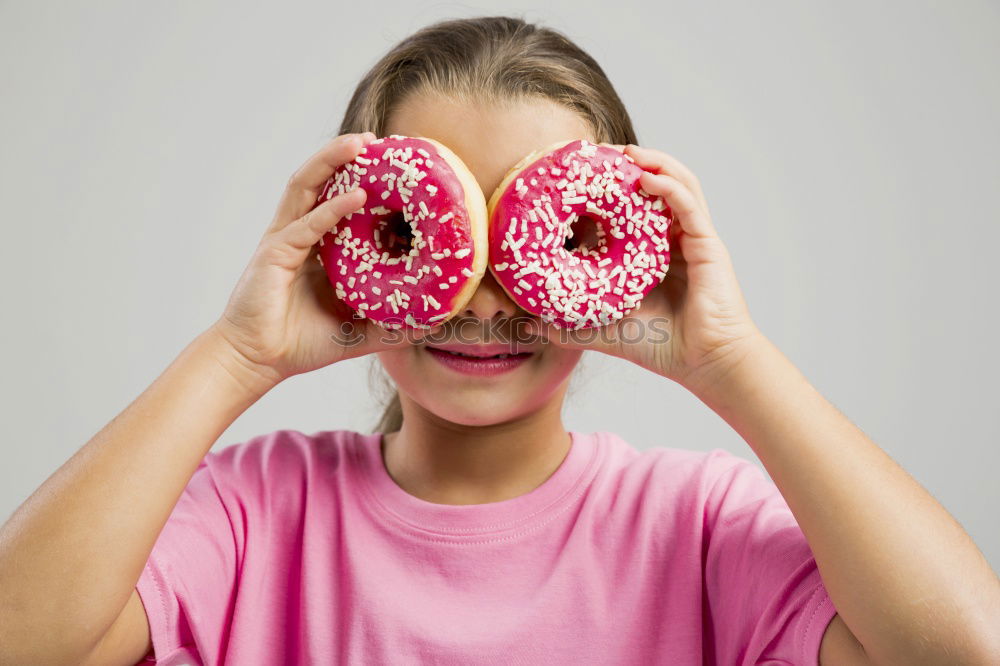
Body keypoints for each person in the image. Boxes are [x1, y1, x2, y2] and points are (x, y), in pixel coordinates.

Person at [1, 15, 997, 666]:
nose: (480, 300)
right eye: (418, 234)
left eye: (542, 237)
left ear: (627, 247)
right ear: (339, 239)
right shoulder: (253, 516)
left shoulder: (696, 529)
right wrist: (236, 357)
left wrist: (730, 362)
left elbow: (964, 650)